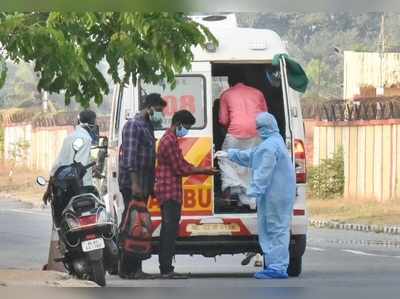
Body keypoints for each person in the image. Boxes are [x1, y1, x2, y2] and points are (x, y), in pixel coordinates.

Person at [216, 112, 296, 279]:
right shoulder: (274, 142)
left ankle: (277, 267)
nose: (258, 131)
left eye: (260, 128)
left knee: (276, 229)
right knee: (273, 228)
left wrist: (253, 192)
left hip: (275, 195)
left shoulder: (269, 146)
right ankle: (275, 265)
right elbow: (252, 156)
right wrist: (230, 154)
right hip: (276, 194)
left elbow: (263, 172)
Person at [155, 110, 218, 279]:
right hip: (169, 191)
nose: (187, 131)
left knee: (169, 229)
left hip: (170, 190)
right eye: (187, 127)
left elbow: (181, 163)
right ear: (178, 124)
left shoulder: (171, 139)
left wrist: (201, 170)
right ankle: (166, 269)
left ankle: (167, 267)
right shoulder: (169, 141)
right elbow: (180, 168)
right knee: (169, 231)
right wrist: (204, 170)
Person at [118, 93, 167, 279]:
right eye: (159, 110)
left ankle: (132, 268)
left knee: (139, 226)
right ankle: (129, 268)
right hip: (133, 184)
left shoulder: (147, 126)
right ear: (150, 107)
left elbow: (149, 159)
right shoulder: (133, 125)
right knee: (132, 226)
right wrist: (136, 184)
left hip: (143, 184)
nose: (161, 114)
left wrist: (150, 185)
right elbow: (129, 159)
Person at [218, 71, 268, 209]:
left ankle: (234, 185)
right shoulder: (258, 93)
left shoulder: (226, 94)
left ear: (230, 83)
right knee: (251, 163)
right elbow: (265, 116)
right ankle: (249, 198)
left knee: (225, 158)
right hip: (256, 133)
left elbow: (223, 120)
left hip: (235, 132)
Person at [43, 109, 99, 209]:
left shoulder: (68, 138)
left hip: (65, 190)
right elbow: (82, 165)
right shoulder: (87, 139)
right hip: (83, 189)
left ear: (78, 122)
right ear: (92, 124)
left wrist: (48, 190)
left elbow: (57, 165)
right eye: (94, 123)